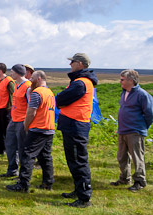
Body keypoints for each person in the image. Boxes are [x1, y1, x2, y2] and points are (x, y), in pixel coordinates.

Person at [56, 53, 98, 208]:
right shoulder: (79, 82)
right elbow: (62, 99)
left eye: (72, 62)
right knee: (73, 160)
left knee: (78, 161)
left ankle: (84, 197)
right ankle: (79, 190)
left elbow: (60, 99)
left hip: (76, 126)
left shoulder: (80, 83)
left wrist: (60, 99)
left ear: (80, 64)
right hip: (73, 125)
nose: (70, 65)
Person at [6, 70, 55, 192]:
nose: (30, 80)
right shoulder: (50, 92)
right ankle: (47, 182)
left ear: (39, 79)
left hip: (38, 128)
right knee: (45, 157)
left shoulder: (37, 92)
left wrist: (26, 125)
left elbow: (31, 112)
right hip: (49, 128)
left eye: (32, 78)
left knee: (28, 155)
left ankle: (23, 184)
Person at [111, 69, 153, 191]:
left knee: (137, 157)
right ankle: (124, 178)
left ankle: (140, 181)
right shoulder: (123, 93)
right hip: (123, 130)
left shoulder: (142, 94)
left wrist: (142, 127)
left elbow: (149, 114)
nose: (120, 82)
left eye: (122, 80)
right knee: (122, 157)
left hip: (135, 131)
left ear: (131, 80)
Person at [1, 64, 31, 178]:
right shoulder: (17, 85)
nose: (11, 73)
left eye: (12, 71)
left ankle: (23, 174)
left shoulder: (28, 86)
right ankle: (12, 170)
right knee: (10, 145)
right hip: (14, 119)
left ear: (18, 73)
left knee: (22, 148)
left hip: (22, 121)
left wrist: (27, 122)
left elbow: (31, 105)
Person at [0, 63, 15, 156]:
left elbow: (13, 96)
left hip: (5, 110)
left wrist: (10, 109)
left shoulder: (9, 81)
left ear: (0, 71)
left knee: (6, 130)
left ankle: (7, 148)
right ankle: (0, 147)